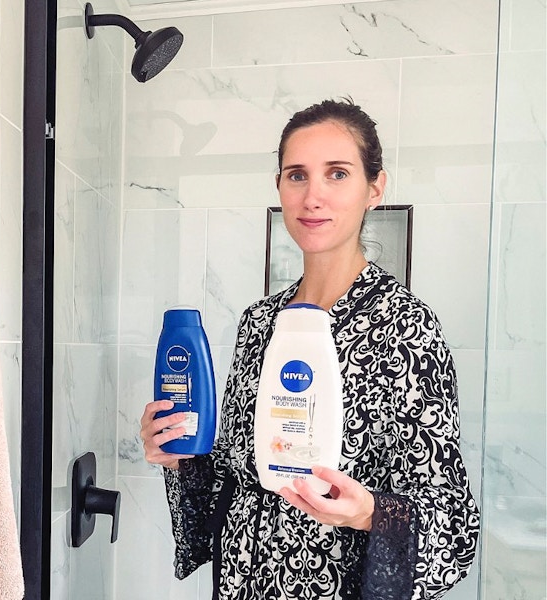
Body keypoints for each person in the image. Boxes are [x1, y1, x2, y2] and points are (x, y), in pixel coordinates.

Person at [140, 98, 480, 599]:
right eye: (296, 175)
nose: (312, 196)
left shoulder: (404, 327)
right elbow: (233, 478)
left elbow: (452, 524)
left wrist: (367, 512)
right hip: (243, 583)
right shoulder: (259, 323)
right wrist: (180, 456)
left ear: (374, 188)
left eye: (337, 174)